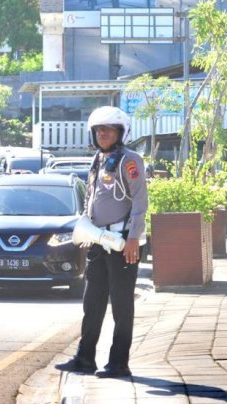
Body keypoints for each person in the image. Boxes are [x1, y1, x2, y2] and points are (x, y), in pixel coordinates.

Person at [55, 106, 148, 378]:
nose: (102, 133)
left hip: (121, 242)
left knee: (121, 305)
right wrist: (87, 229)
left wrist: (133, 237)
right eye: (98, 129)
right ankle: (84, 359)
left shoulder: (129, 161)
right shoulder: (98, 158)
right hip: (98, 240)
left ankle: (119, 363)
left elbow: (140, 201)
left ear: (121, 132)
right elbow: (91, 196)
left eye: (108, 128)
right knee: (92, 302)